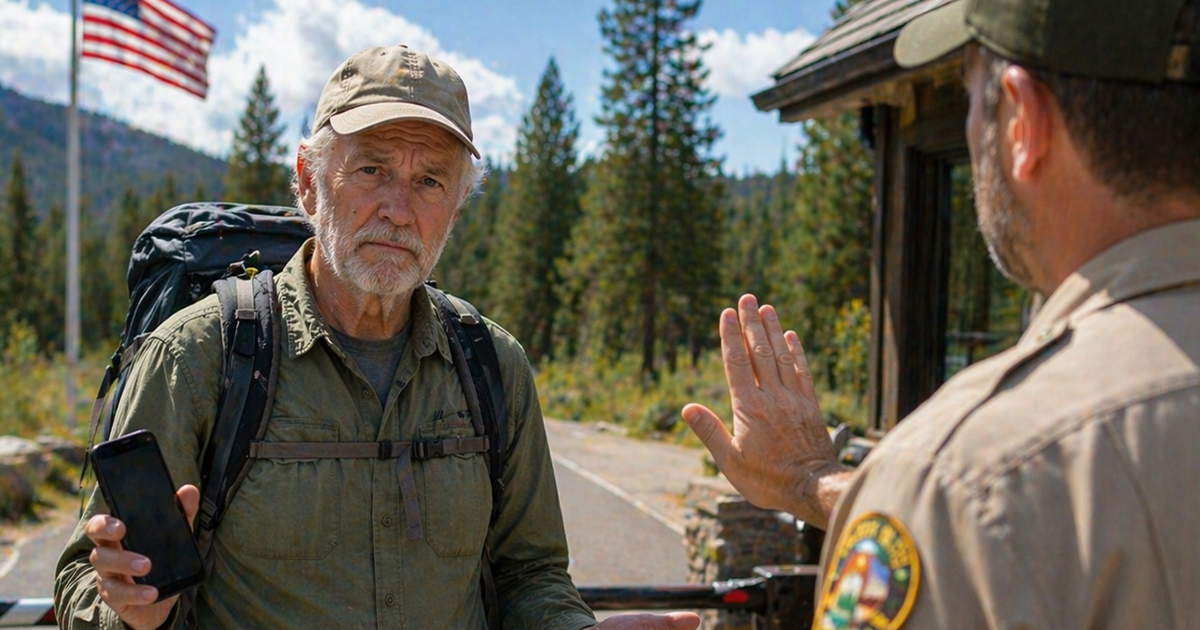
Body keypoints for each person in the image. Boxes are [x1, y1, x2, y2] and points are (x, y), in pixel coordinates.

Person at [54, 45, 699, 630]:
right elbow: (84, 579)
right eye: (371, 169)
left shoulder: (492, 366)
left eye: (430, 181)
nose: (399, 209)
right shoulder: (197, 359)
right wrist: (132, 613)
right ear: (310, 182)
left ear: (456, 207)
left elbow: (530, 576)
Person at [682, 0, 1200, 627]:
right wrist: (812, 481)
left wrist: (888, 490)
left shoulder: (961, 472)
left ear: (1023, 124)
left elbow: (983, 509)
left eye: (972, 98)